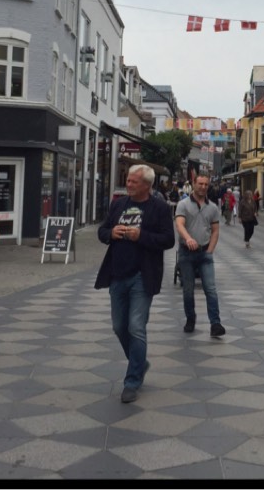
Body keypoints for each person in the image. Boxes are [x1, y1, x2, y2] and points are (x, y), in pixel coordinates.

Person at [94, 164, 175, 403]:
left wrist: (141, 236)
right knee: (119, 326)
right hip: (117, 273)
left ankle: (132, 381)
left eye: (133, 181)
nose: (128, 184)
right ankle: (140, 363)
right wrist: (111, 233)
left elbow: (168, 240)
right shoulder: (118, 205)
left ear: (147, 185)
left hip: (143, 275)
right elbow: (102, 231)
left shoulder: (159, 208)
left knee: (136, 326)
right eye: (128, 180)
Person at [175, 173, 226, 338]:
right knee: (188, 290)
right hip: (186, 253)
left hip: (205, 254)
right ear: (194, 184)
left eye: (206, 184)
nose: (203, 187)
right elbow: (179, 224)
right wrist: (188, 238)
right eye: (200, 184)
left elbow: (215, 230)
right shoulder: (183, 204)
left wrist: (210, 250)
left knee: (210, 289)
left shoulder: (212, 207)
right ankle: (190, 318)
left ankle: (215, 323)